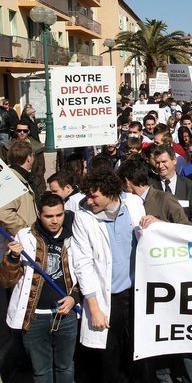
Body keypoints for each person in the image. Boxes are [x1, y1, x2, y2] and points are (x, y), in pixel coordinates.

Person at [70, 168, 158, 383]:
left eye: (94, 196)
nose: (89, 201)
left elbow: (146, 238)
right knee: (111, 359)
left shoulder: (134, 204)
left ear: (110, 192)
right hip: (109, 299)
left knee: (139, 354)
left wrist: (154, 223)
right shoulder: (83, 218)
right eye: (88, 195)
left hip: (137, 294)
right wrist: (94, 308)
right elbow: (83, 263)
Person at [0, 193, 79, 383]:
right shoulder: (24, 237)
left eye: (59, 215)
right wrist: (13, 258)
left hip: (65, 316)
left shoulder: (75, 236)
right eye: (49, 216)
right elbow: (6, 280)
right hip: (35, 317)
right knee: (41, 372)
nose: (55, 221)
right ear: (39, 215)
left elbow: (85, 272)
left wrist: (74, 297)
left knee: (66, 367)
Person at [118, 157, 190, 224]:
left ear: (127, 182)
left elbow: (185, 227)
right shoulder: (128, 204)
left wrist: (159, 223)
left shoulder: (165, 199)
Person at [150, 144, 192, 224]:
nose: (160, 166)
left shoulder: (189, 185)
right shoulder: (150, 186)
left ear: (174, 160)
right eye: (157, 163)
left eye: (164, 162)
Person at [0, 141, 38, 236]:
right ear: (29, 158)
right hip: (19, 243)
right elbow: (4, 213)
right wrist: (25, 231)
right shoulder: (12, 181)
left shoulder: (17, 178)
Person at [1, 121, 46, 196]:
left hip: (34, 183)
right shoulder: (7, 147)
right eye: (19, 131)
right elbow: (3, 165)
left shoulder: (37, 146)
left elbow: (41, 167)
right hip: (14, 183)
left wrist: (35, 182)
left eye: (25, 131)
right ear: (15, 131)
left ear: (28, 131)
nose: (22, 133)